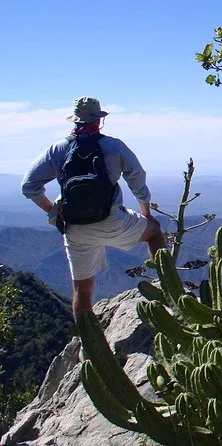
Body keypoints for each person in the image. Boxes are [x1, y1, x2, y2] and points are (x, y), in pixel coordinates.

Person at [21, 96, 166, 317]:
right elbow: (137, 179)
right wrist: (146, 213)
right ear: (99, 120)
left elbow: (29, 185)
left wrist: (52, 211)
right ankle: (168, 291)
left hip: (74, 228)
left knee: (82, 291)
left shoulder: (58, 149)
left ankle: (91, 347)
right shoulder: (113, 146)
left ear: (75, 121)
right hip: (113, 221)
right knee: (154, 233)